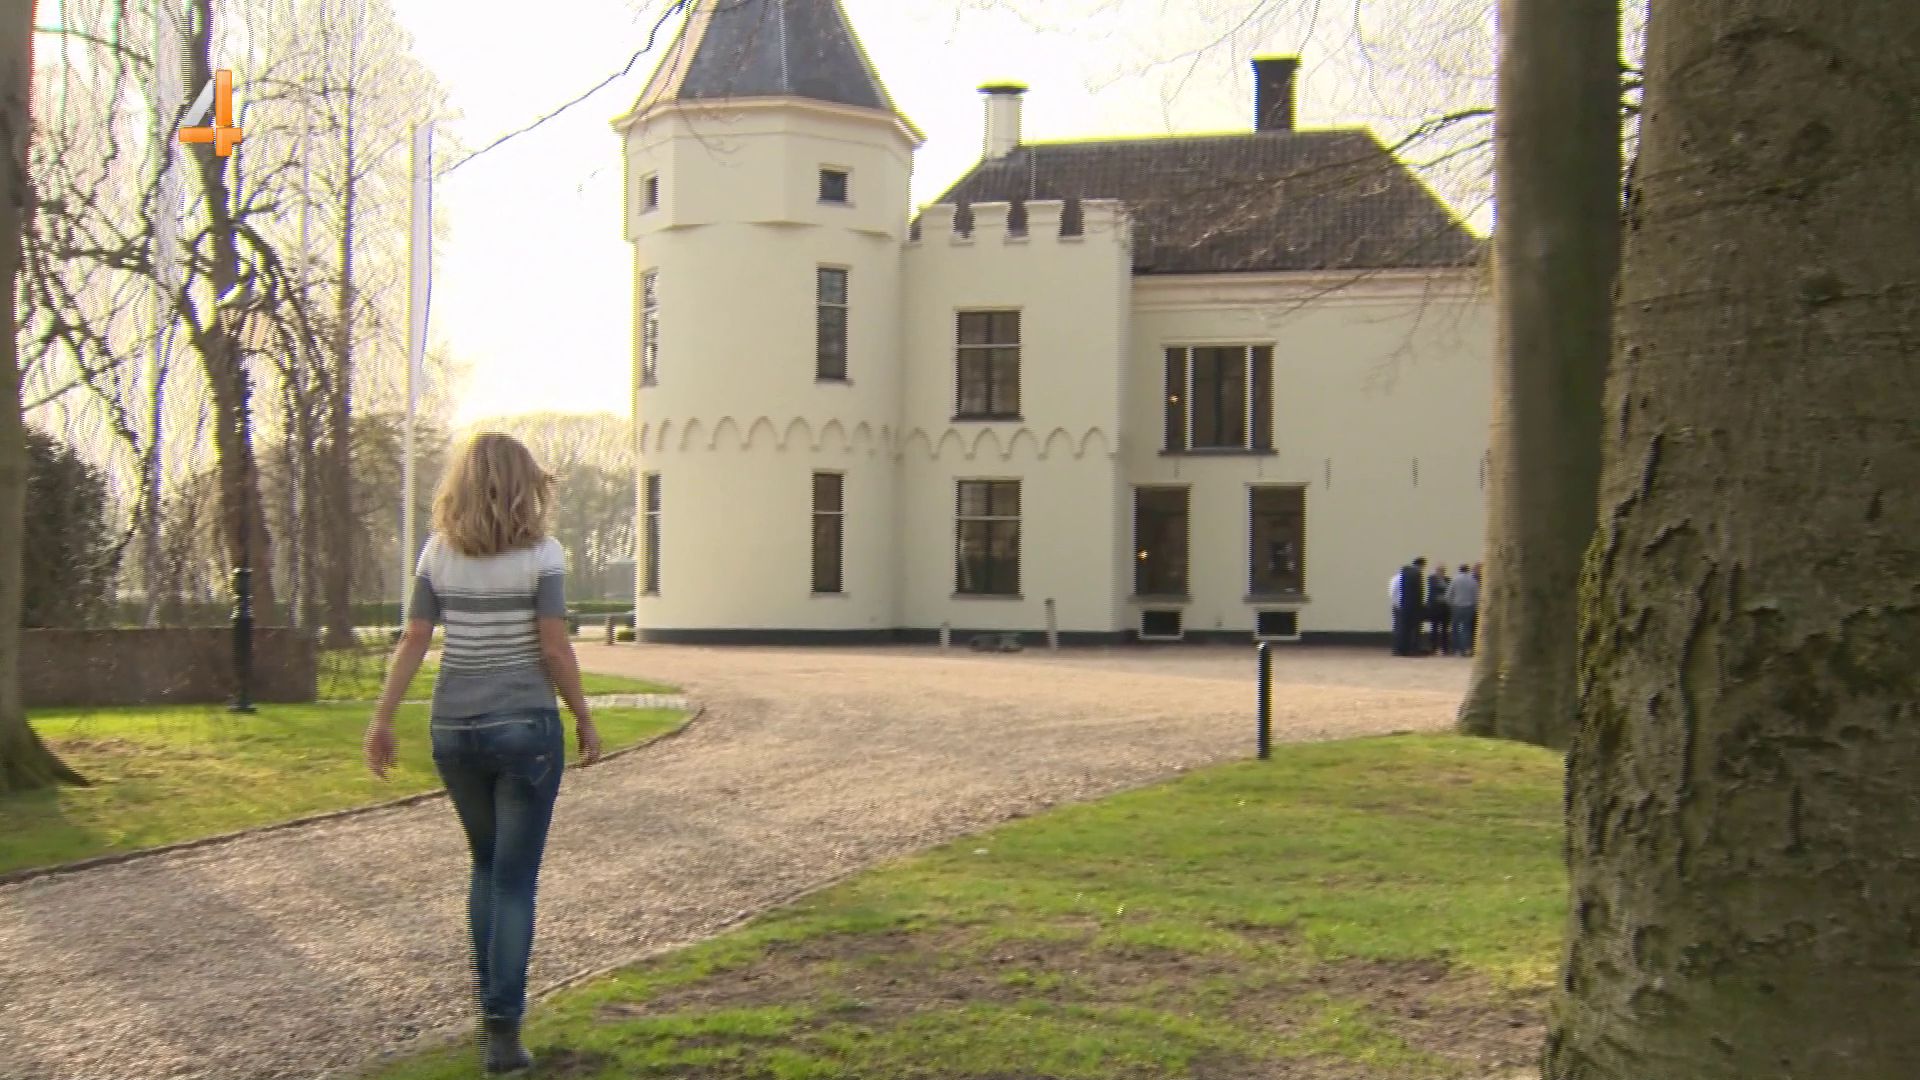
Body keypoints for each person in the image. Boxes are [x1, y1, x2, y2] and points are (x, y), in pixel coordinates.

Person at [363, 433, 602, 1075]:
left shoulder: (437, 553)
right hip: (524, 728)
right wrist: (582, 715)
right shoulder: (543, 556)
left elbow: (415, 638)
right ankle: (502, 1033)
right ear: (526, 487)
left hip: (455, 728)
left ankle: (493, 1020)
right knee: (515, 879)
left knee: (485, 865)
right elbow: (554, 646)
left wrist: (382, 718)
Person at [1389, 557, 1427, 656]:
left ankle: (1399, 649)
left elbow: (1393, 593)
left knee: (1400, 628)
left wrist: (1397, 604)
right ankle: (1410, 649)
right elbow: (1418, 592)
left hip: (1400, 605)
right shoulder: (1415, 575)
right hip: (1408, 606)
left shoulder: (1398, 577)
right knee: (1410, 628)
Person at [1448, 563, 1480, 656]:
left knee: (1455, 628)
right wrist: (1475, 606)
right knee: (1466, 628)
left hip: (1457, 606)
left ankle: (1456, 649)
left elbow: (1449, 594)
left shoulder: (1455, 579)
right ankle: (1465, 649)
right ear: (1468, 570)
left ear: (1459, 569)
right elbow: (1477, 595)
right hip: (1469, 607)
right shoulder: (1472, 581)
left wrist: (1451, 605)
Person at [1426, 563, 1453, 655]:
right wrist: (1443, 594)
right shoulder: (1432, 579)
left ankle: (1445, 648)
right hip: (1435, 608)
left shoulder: (1448, 580)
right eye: (1439, 570)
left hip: (1445, 608)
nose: (1441, 572)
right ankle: (1433, 647)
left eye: (1442, 570)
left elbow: (1449, 591)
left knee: (1445, 629)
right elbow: (1434, 589)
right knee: (1434, 628)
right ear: (1436, 571)